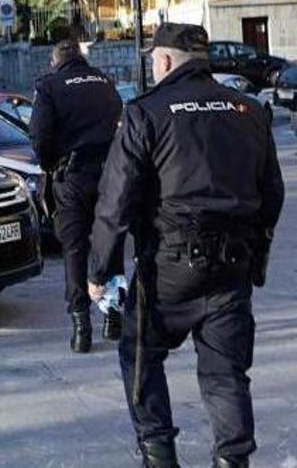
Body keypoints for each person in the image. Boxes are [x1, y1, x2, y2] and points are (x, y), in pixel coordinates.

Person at [89, 23, 284, 467]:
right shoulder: (249, 110)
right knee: (226, 375)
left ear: (164, 61)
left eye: (152, 59)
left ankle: (158, 454)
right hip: (230, 266)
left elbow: (114, 200)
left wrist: (98, 271)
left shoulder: (145, 112)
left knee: (139, 355)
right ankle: (233, 461)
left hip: (169, 270)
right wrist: (256, 259)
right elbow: (272, 193)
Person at [29, 38, 124, 353]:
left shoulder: (50, 86)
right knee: (109, 242)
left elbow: (39, 137)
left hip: (71, 177)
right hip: (109, 174)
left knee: (74, 249)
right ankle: (113, 317)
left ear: (55, 61)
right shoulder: (105, 80)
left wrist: (50, 164)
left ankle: (81, 326)